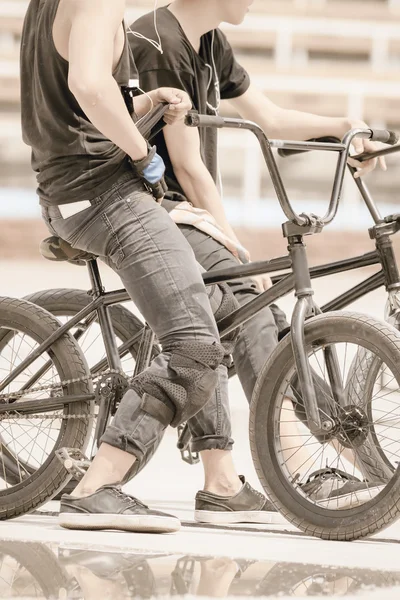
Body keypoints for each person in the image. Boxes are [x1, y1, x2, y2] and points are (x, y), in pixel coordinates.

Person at [20, 0, 275, 533]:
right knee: (194, 347)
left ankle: (221, 478)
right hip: (104, 192)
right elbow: (90, 87)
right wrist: (143, 154)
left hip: (75, 187)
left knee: (215, 304)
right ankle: (97, 488)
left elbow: (77, 102)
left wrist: (146, 102)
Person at [128, 0, 386, 511]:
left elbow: (267, 116)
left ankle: (244, 477)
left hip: (184, 208)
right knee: (245, 301)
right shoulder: (160, 41)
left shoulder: (207, 41)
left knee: (253, 307)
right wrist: (234, 244)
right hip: (151, 207)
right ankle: (296, 469)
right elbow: (187, 164)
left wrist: (342, 125)